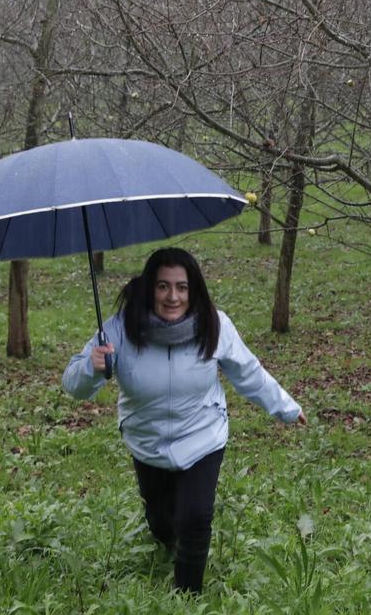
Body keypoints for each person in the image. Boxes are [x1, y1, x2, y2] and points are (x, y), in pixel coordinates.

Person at [62, 247, 306, 594]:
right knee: (162, 524)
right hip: (146, 442)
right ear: (150, 288)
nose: (172, 296)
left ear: (194, 290)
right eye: (163, 286)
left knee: (195, 517)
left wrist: (286, 407)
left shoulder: (215, 324)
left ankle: (188, 596)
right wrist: (92, 368)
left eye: (181, 287)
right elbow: (73, 384)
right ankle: (168, 540)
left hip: (202, 434)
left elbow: (248, 373)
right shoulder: (120, 328)